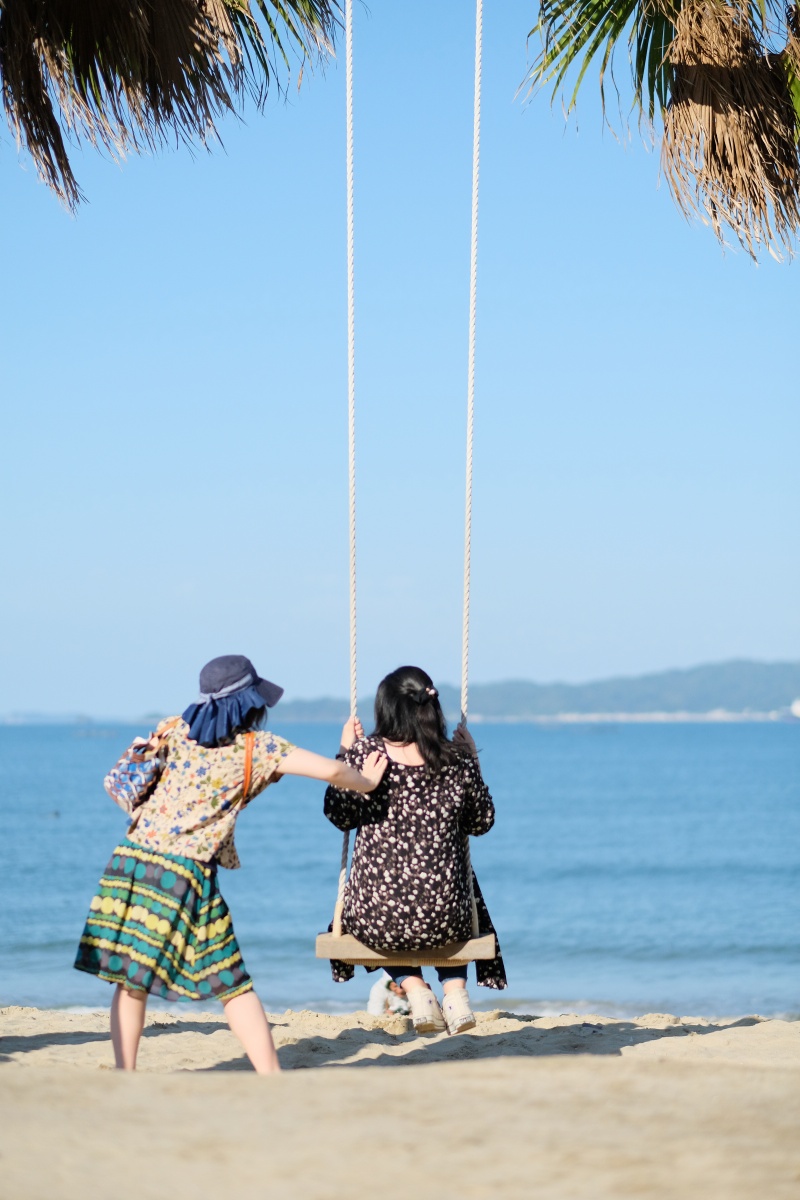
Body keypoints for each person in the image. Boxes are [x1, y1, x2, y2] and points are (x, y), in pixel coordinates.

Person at [74, 654, 386, 1074]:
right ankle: (270, 1076)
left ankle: (124, 1074)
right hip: (184, 872)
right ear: (249, 704)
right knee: (231, 981)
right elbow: (331, 771)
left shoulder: (173, 728)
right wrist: (366, 779)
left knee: (132, 980)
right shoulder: (258, 748)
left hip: (130, 862)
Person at [323, 665, 506, 1037]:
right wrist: (473, 761)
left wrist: (347, 755)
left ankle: (415, 989)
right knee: (458, 891)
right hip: (447, 920)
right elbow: (482, 823)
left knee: (381, 915)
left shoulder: (366, 754)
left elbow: (338, 815)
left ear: (385, 709)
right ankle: (454, 993)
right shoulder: (455, 758)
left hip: (379, 920)